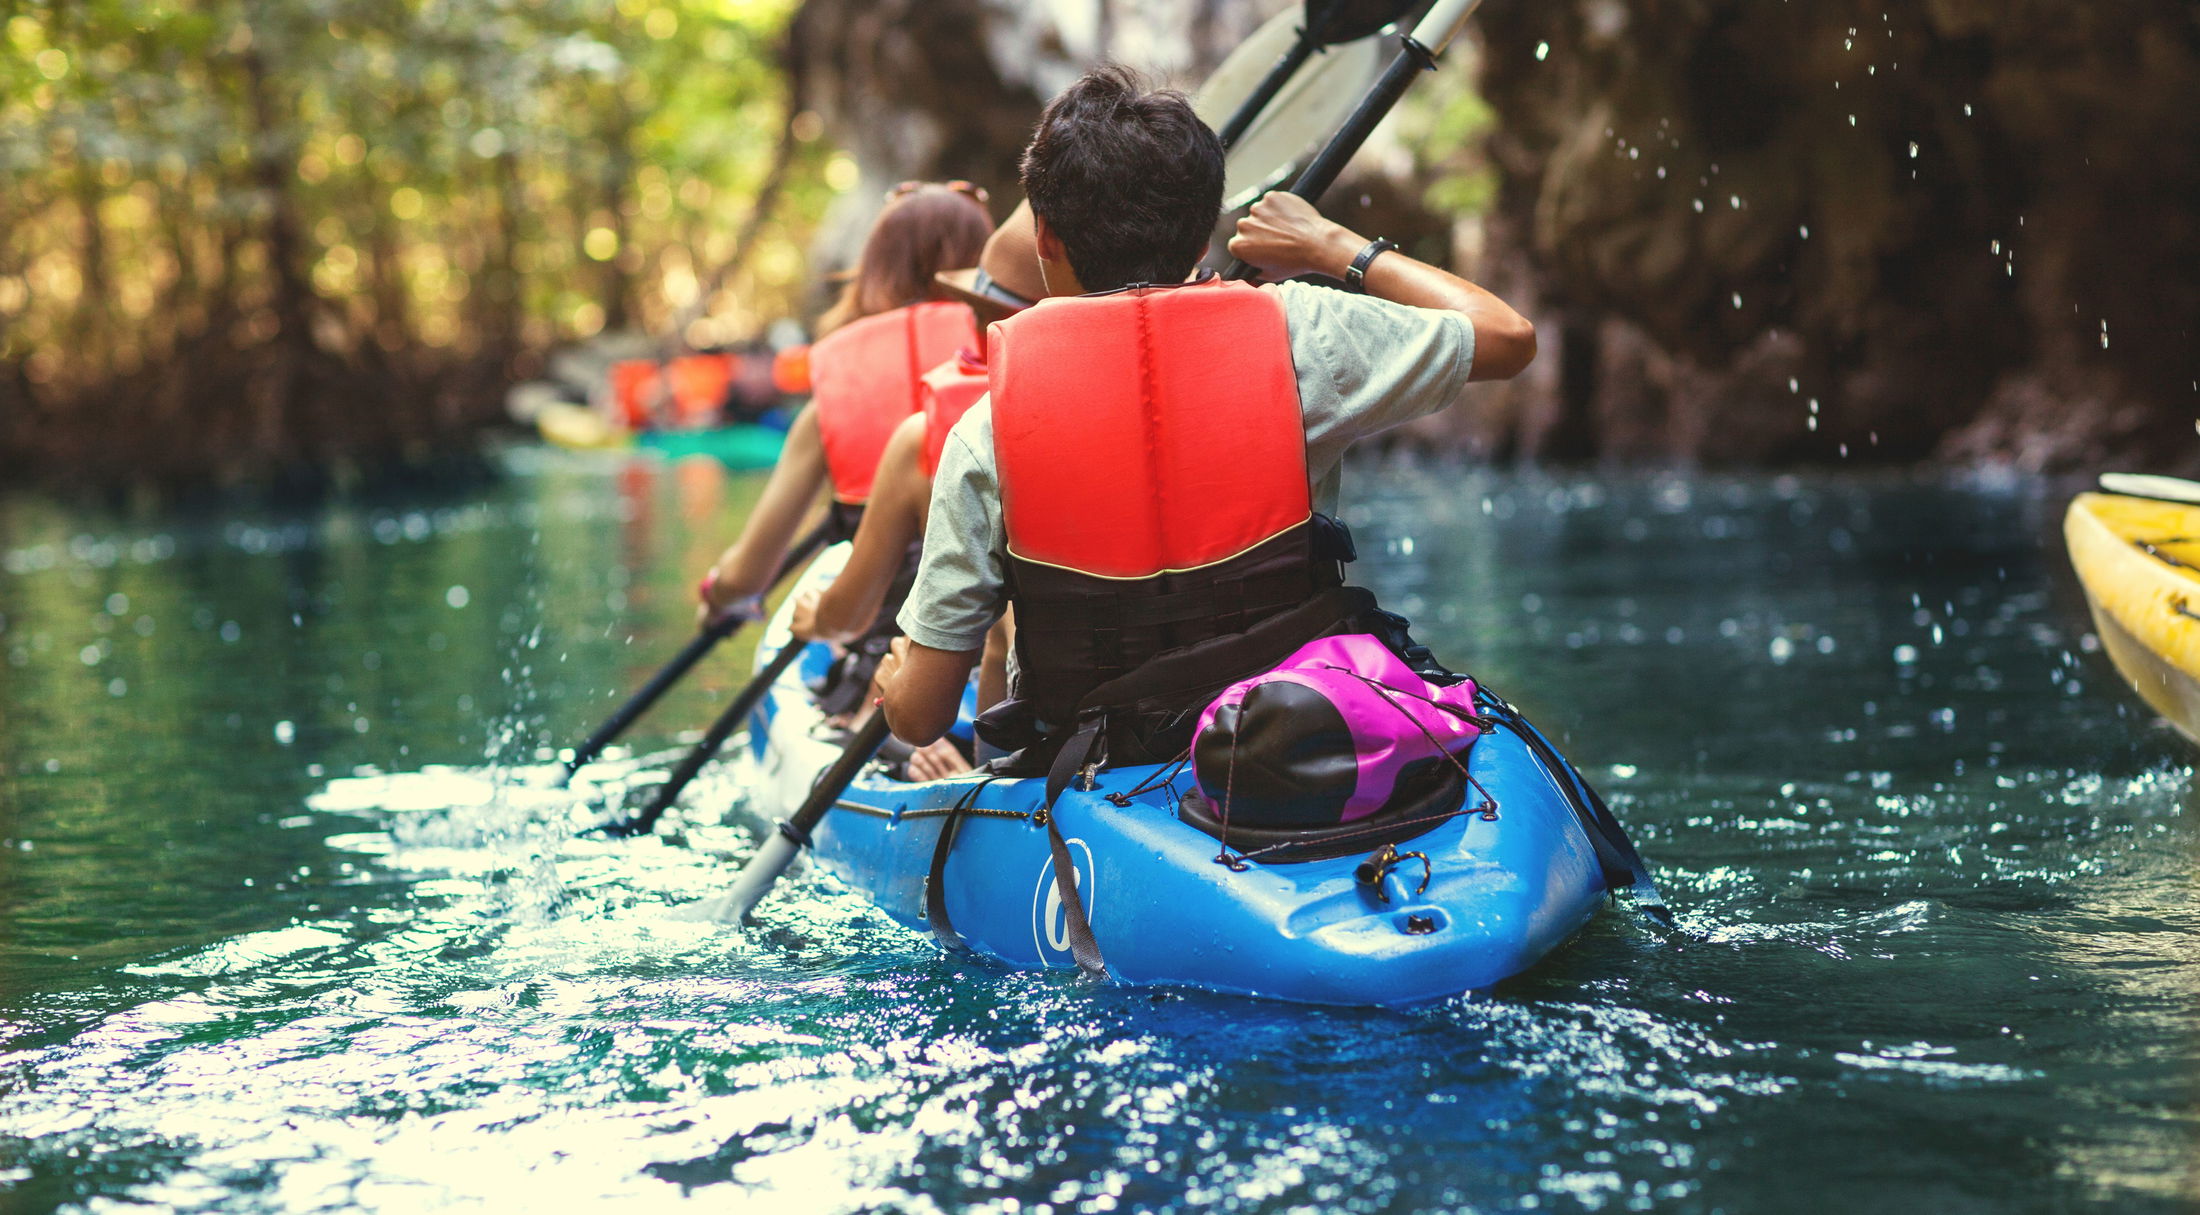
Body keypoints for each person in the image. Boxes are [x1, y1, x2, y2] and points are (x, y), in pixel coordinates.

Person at [875, 66, 1536, 765]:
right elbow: (1507, 336)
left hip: (1099, 768)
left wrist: (893, 682)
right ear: (1200, 240)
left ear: (1044, 238)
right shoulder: (1302, 334)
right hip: (1294, 740)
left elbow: (921, 715)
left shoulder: (985, 431)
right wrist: (1332, 246)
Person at [788, 202, 1050, 779]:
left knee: (888, 697)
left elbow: (850, 620)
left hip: (946, 701)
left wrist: (815, 624)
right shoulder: (1111, 414)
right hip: (1071, 721)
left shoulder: (929, 436)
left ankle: (925, 758)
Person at [694, 182, 992, 626]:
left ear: (875, 269)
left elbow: (746, 577)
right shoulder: (1016, 363)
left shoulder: (833, 400)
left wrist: (717, 595)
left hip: (879, 638)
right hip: (999, 637)